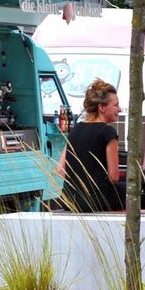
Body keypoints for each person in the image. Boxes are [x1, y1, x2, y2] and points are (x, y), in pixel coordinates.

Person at [58, 78, 124, 212]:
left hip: (70, 200)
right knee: (131, 192)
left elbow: (60, 170)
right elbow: (114, 177)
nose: (120, 109)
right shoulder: (108, 132)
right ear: (102, 108)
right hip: (97, 200)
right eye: (116, 105)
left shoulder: (75, 130)